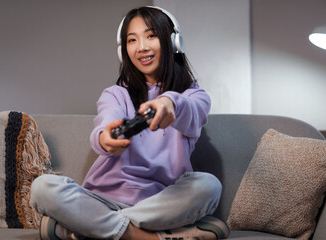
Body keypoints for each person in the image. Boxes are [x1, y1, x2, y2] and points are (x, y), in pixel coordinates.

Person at [31, 6, 230, 240]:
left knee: (209, 186)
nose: (142, 47)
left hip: (158, 203)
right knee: (42, 187)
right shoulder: (115, 95)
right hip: (101, 200)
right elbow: (105, 124)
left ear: (174, 42)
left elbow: (192, 112)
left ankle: (82, 230)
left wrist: (169, 104)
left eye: (151, 36)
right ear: (124, 50)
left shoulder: (193, 96)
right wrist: (105, 138)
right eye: (132, 40)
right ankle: (147, 237)